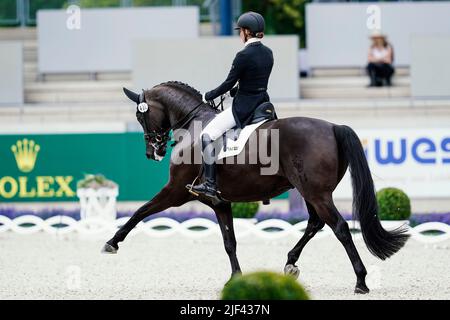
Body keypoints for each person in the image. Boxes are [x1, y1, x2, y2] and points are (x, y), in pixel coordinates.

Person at [186, 11, 274, 201]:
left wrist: (207, 95)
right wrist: (234, 92)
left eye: (240, 31)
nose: (239, 35)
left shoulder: (243, 55)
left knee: (206, 136)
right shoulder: (268, 53)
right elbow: (254, 82)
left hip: (244, 108)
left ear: (247, 32)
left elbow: (228, 82)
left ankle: (210, 184)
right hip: (263, 104)